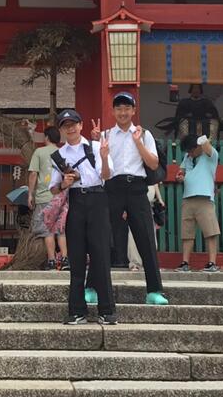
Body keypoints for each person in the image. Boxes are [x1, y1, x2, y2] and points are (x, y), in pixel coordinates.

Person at [93, 92, 168, 306]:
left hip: (137, 187)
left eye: (127, 108)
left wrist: (138, 143)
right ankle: (93, 287)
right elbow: (101, 171)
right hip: (112, 187)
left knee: (146, 239)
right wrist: (98, 144)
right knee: (101, 237)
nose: (123, 112)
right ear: (113, 111)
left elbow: (153, 164)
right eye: (119, 108)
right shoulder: (105, 135)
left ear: (134, 111)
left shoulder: (144, 134)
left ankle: (154, 291)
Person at [50, 109, 115, 326]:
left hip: (97, 200)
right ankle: (77, 310)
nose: (70, 128)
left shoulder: (95, 147)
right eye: (65, 125)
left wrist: (104, 157)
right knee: (76, 258)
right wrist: (64, 184)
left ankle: (107, 310)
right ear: (61, 130)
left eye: (73, 124)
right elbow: (53, 188)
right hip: (76, 202)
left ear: (81, 125)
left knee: (101, 256)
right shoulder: (59, 155)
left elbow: (106, 176)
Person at [174, 134, 221, 273]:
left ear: (198, 147)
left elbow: (205, 143)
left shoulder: (211, 156)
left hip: (205, 197)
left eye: (191, 150)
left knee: (210, 232)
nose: (189, 153)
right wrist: (180, 177)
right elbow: (181, 172)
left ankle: (212, 263)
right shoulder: (187, 157)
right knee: (187, 233)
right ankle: (185, 263)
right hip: (187, 198)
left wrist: (201, 140)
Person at [28, 125, 68, 271]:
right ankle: (65, 259)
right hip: (61, 197)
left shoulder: (39, 152)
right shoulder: (63, 152)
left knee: (47, 230)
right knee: (61, 230)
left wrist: (30, 193)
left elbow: (33, 173)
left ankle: (51, 260)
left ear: (46, 137)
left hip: (44, 196)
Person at [127, 184, 164, 271]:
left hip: (149, 203)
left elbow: (155, 182)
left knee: (150, 234)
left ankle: (151, 263)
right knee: (133, 234)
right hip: (134, 200)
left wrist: (159, 198)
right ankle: (135, 263)